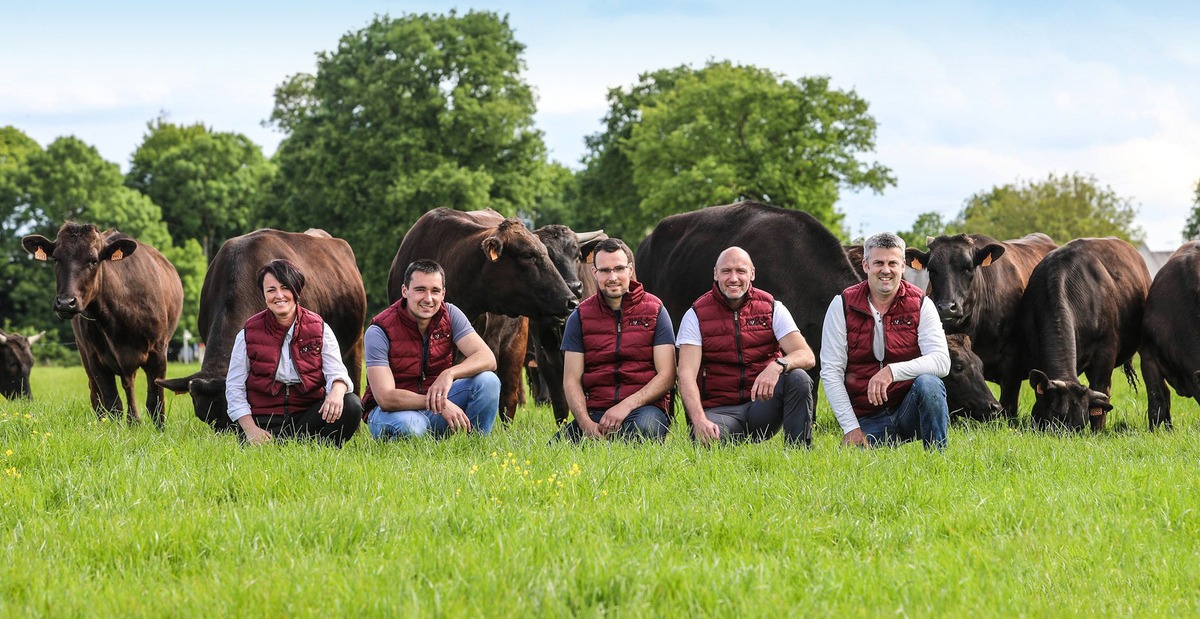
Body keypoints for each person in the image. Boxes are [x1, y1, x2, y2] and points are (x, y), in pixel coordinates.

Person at [820, 232, 950, 449]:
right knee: (855, 466)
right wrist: (851, 428)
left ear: (903, 266)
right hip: (868, 418)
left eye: (893, 263)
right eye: (878, 262)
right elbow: (831, 371)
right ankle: (867, 438)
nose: (886, 270)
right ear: (865, 266)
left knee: (930, 383)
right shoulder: (841, 305)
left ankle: (937, 457)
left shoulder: (921, 304)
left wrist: (891, 371)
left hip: (910, 410)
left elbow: (941, 361)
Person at [677, 247, 816, 447]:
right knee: (708, 443)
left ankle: (799, 450)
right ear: (716, 274)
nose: (734, 278)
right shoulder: (695, 314)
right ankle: (715, 435)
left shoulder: (772, 307)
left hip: (762, 406)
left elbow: (806, 356)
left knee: (798, 378)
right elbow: (686, 375)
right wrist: (699, 421)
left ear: (752, 273)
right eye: (726, 271)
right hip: (720, 411)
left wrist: (777, 365)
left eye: (741, 271)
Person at [225, 259, 362, 446]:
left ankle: (322, 451)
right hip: (265, 420)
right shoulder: (248, 333)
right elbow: (234, 387)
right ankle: (271, 443)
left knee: (351, 404)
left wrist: (337, 391)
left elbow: (337, 373)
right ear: (264, 295)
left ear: (297, 290)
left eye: (285, 287)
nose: (279, 295)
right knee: (260, 452)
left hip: (307, 417)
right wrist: (250, 429)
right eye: (271, 290)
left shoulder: (319, 328)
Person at [363, 259, 500, 439]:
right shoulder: (379, 330)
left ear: (443, 293)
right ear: (405, 291)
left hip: (433, 407)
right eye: (420, 290)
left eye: (435, 291)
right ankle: (410, 447)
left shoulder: (450, 314)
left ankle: (475, 445)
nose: (428, 299)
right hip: (391, 412)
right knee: (413, 427)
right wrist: (440, 404)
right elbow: (386, 398)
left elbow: (487, 358)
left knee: (488, 381)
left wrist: (449, 374)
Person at [556, 238, 676, 442]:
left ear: (630, 270)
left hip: (644, 410)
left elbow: (667, 375)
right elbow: (571, 380)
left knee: (642, 431)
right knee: (557, 449)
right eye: (604, 271)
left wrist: (626, 406)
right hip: (596, 411)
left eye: (619, 269)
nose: (612, 277)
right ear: (594, 273)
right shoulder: (580, 316)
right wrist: (585, 424)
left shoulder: (655, 310)